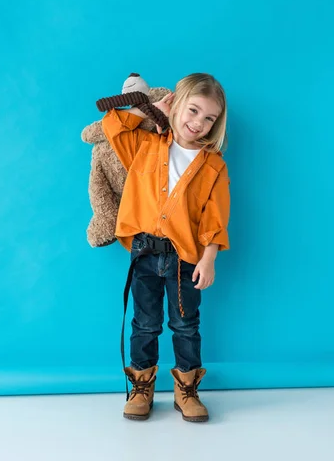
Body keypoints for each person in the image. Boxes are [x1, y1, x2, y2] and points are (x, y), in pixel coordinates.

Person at [102, 72, 230, 423]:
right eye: (192, 110)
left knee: (186, 325)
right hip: (144, 252)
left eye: (209, 118)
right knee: (144, 324)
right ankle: (142, 387)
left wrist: (209, 258)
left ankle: (186, 390)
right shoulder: (145, 147)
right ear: (175, 106)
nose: (198, 123)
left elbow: (214, 219)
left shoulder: (213, 166)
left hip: (184, 260)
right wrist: (149, 110)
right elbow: (112, 125)